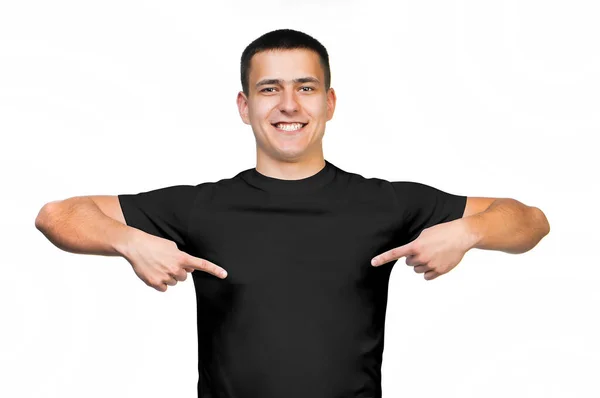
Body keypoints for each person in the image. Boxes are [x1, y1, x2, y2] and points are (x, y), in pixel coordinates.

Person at [35, 28, 550, 398]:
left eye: (304, 88)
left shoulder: (387, 202)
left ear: (329, 102)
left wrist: (470, 231)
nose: (288, 105)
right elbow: (59, 214)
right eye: (269, 89)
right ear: (244, 106)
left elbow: (529, 220)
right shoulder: (198, 206)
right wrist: (129, 242)